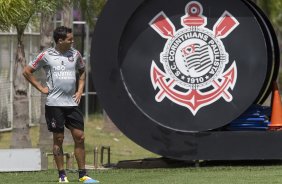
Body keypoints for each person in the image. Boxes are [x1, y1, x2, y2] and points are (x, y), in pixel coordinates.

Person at [23, 26, 99, 183]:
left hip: (72, 104)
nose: (72, 41)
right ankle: (62, 175)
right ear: (60, 40)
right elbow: (27, 71)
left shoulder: (75, 54)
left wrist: (79, 91)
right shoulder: (46, 55)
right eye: (70, 39)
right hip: (54, 104)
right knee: (58, 138)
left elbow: (82, 71)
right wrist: (40, 87)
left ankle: (83, 175)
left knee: (80, 137)